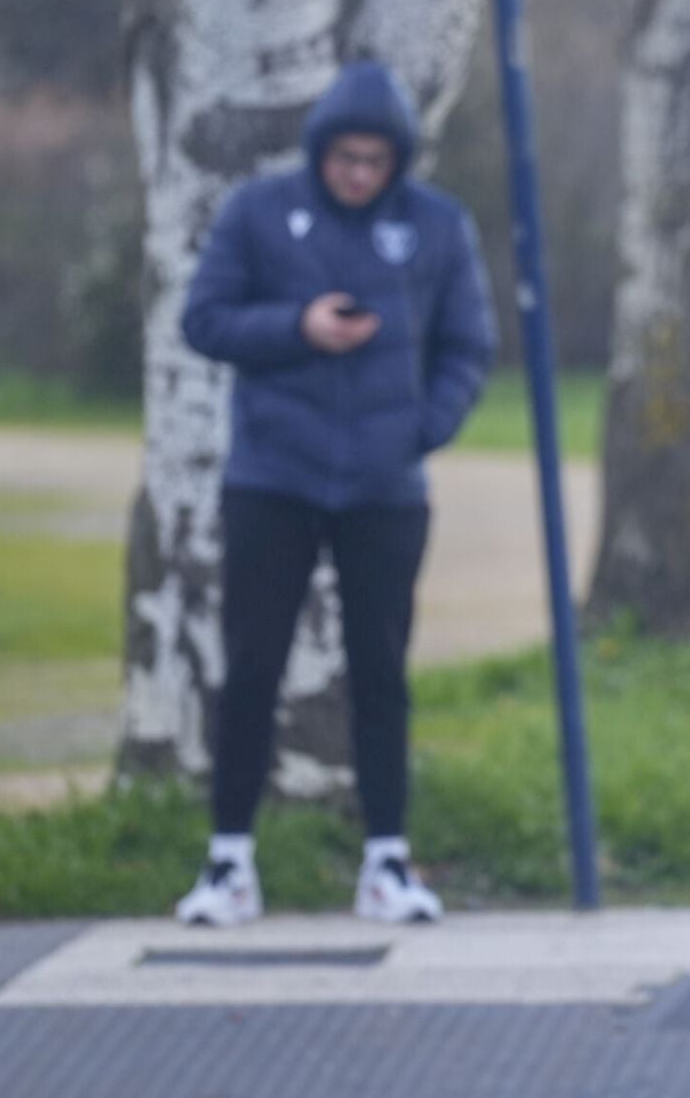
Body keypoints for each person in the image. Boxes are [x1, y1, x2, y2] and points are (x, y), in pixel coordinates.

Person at [174, 60, 497, 927]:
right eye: (344, 157)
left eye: (374, 159)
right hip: (271, 478)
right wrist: (298, 328)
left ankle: (387, 862)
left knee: (380, 670)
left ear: (397, 158)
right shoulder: (257, 212)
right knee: (251, 665)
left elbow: (469, 343)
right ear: (321, 151)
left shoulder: (436, 227)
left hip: (385, 487)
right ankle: (228, 862)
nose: (358, 173)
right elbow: (203, 319)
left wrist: (420, 428)